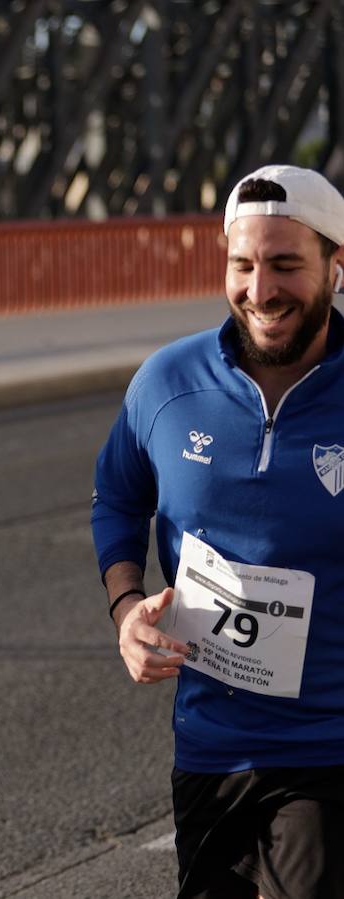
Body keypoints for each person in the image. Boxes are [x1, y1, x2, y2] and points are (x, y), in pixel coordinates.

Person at [92, 164, 344, 899]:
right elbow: (117, 495)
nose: (261, 291)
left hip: (329, 745)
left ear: (337, 265)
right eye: (243, 265)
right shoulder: (169, 382)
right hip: (210, 745)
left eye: (286, 265)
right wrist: (124, 609)